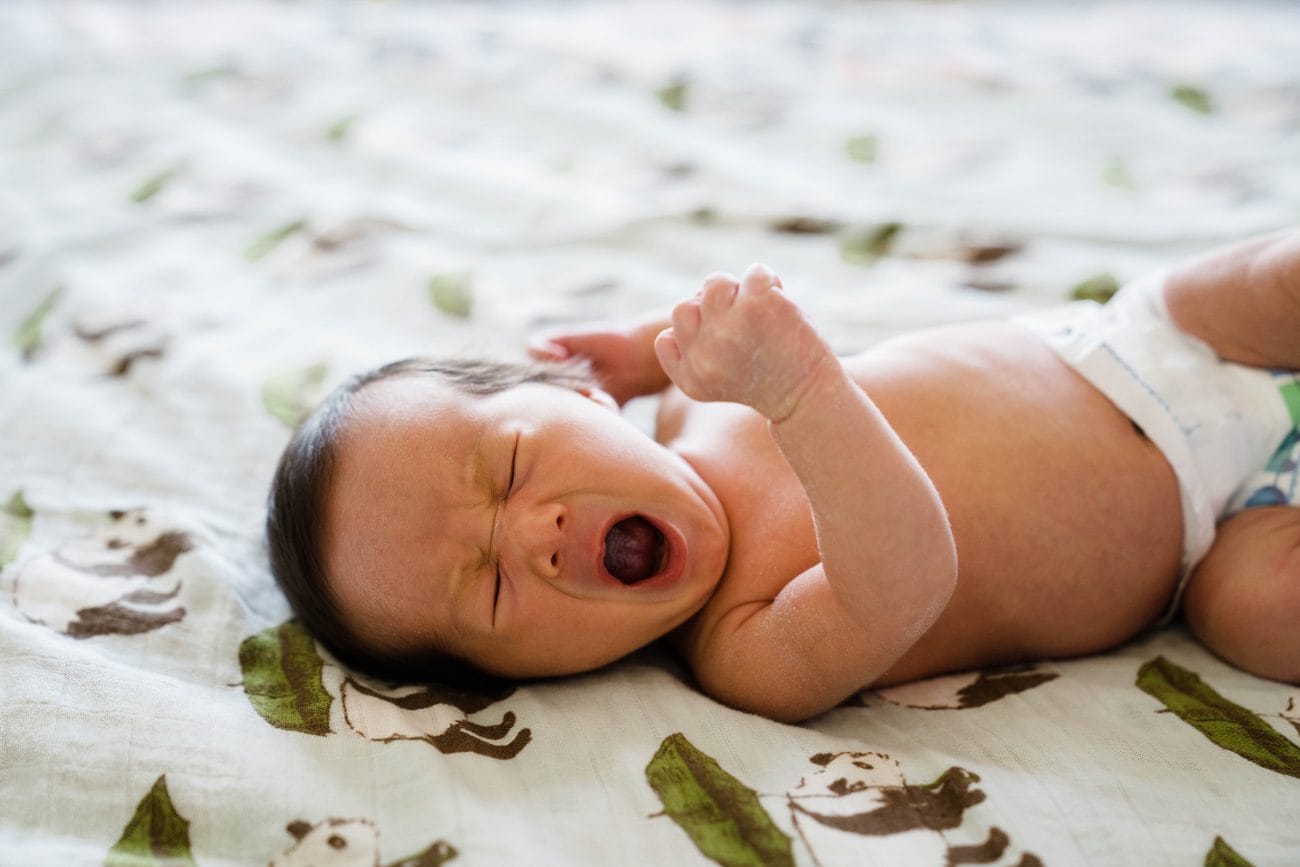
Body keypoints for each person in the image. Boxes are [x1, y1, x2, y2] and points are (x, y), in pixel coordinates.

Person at [266, 229, 1300, 723]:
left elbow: (746, 325)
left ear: (579, 397)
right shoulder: (749, 650)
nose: (529, 533)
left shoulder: (693, 402)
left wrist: (643, 348)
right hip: (1215, 528)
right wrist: (802, 397)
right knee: (1264, 616)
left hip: (1131, 347)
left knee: (1268, 280)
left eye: (511, 466)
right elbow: (903, 577)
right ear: (525, 676)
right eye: (489, 587)